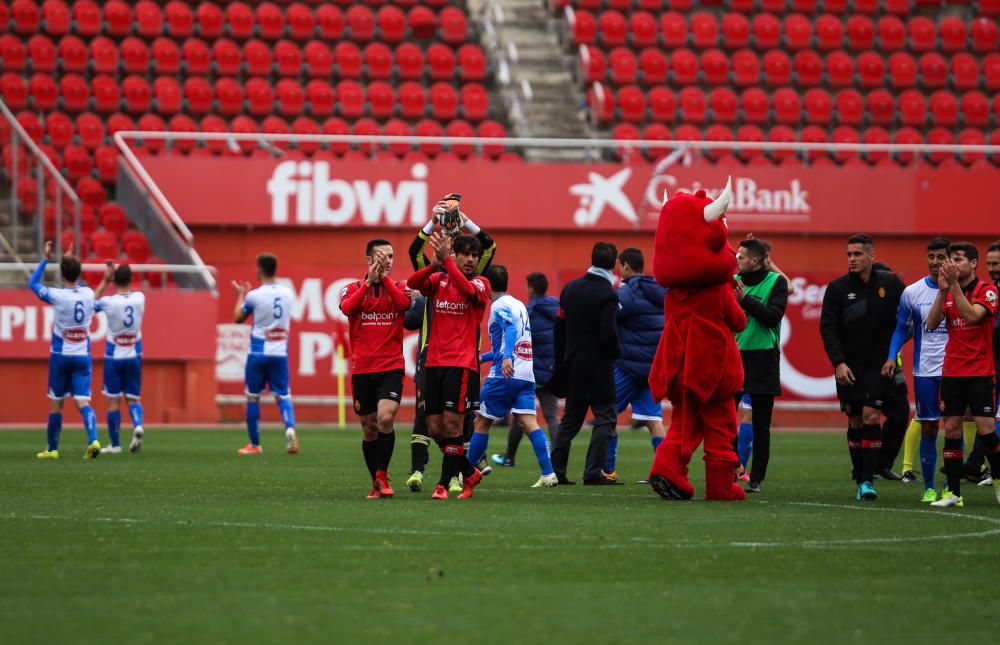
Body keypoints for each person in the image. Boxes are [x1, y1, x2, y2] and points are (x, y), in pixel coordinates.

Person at [405, 195, 496, 493]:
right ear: (455, 256)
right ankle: (469, 471)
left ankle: (444, 484)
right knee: (433, 428)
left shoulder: (480, 284)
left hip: (461, 364)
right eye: (464, 255)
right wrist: (434, 265)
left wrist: (462, 221)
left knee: (454, 427)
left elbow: (467, 288)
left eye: (474, 255)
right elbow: (415, 284)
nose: (470, 259)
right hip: (433, 362)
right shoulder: (440, 279)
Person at [820, 233, 904, 501]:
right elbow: (828, 329)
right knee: (855, 420)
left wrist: (893, 354)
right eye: (849, 254)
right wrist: (838, 363)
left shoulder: (891, 285)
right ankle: (860, 476)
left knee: (871, 416)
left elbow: (906, 322)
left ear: (871, 255)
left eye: (857, 254)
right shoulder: (837, 288)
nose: (852, 259)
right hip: (849, 367)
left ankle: (867, 481)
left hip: (880, 367)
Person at [466, 265, 558, 488]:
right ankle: (548, 473)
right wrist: (482, 358)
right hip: (526, 373)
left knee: (481, 422)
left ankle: (464, 474)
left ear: (487, 285)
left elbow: (509, 329)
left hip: (505, 373)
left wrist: (506, 359)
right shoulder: (519, 305)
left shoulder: (499, 306)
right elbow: (512, 340)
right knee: (529, 422)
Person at [926, 243, 1000, 507]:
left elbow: (971, 316)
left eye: (957, 259)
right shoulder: (947, 291)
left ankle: (999, 478)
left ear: (973, 263)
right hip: (953, 372)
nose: (951, 264)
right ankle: (954, 493)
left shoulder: (988, 291)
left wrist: (953, 286)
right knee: (952, 430)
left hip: (980, 372)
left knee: (987, 430)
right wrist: (942, 291)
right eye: (950, 259)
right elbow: (931, 323)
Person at [339, 239, 412, 499]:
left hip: (390, 367)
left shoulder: (401, 287)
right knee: (369, 428)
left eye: (391, 257)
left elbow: (404, 305)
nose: (388, 261)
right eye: (382, 257)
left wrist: (384, 279)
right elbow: (347, 309)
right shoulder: (352, 288)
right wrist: (370, 281)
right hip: (362, 369)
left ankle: (382, 474)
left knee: (385, 419)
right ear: (369, 260)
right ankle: (376, 482)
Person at [882, 239, 951, 501]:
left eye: (940, 257)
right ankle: (930, 487)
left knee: (954, 427)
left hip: (956, 369)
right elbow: (901, 327)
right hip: (925, 371)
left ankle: (951, 485)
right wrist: (892, 355)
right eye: (931, 256)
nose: (935, 262)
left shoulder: (961, 292)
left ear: (950, 259)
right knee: (930, 427)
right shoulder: (912, 292)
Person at [549, 242, 621, 486]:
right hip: (599, 366)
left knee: (570, 421)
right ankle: (593, 471)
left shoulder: (570, 289)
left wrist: (560, 363)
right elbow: (608, 334)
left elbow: (559, 328)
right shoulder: (608, 295)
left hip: (574, 364)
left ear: (591, 259)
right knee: (606, 418)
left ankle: (556, 471)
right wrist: (615, 353)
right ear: (615, 264)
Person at [29, 240, 101, 459]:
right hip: (82, 355)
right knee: (83, 401)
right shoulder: (88, 294)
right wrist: (71, 262)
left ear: (61, 274)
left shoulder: (56, 295)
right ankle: (94, 439)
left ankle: (52, 449)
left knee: (56, 402)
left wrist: (45, 259)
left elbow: (33, 283)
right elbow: (75, 282)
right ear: (79, 272)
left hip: (61, 355)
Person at [602, 248, 667, 483]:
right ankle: (663, 471)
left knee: (607, 413)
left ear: (626, 266)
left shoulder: (627, 292)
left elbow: (609, 319)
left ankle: (607, 470)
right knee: (653, 420)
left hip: (629, 365)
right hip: (652, 366)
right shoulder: (658, 290)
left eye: (620, 265)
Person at [733, 238, 788, 494]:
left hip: (764, 357)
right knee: (723, 418)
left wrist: (746, 301)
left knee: (761, 423)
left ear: (754, 261)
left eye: (741, 257)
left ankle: (756, 478)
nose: (737, 261)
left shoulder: (776, 283)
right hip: (734, 356)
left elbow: (772, 317)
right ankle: (733, 468)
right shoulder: (732, 280)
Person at [491, 272, 561, 468]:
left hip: (529, 371)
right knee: (551, 416)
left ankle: (509, 457)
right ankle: (557, 457)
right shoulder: (556, 309)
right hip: (550, 371)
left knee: (519, 416)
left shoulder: (527, 310)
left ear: (530, 288)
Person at [232, 253, 299, 456]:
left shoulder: (254, 295)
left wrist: (240, 295)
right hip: (280, 353)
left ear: (259, 269)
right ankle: (289, 428)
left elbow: (238, 318)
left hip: (258, 353)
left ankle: (254, 444)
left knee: (253, 397)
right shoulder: (288, 293)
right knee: (283, 394)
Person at [93, 261, 146, 454]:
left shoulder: (109, 302)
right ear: (131, 279)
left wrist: (104, 281)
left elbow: (90, 303)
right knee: (133, 398)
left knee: (113, 400)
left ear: (114, 279)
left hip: (114, 356)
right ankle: (138, 425)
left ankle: (115, 444)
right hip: (134, 354)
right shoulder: (140, 298)